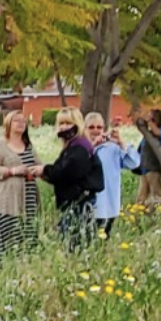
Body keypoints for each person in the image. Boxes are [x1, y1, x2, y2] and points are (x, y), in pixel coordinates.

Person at [41, 107, 103, 251]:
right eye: (61, 123)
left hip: (78, 204)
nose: (64, 127)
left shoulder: (79, 147)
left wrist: (45, 170)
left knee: (74, 245)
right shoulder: (73, 146)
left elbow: (67, 173)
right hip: (74, 203)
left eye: (68, 123)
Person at [0, 110, 42, 262]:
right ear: (8, 123)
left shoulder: (28, 146)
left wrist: (35, 171)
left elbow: (39, 165)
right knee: (5, 244)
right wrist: (12, 171)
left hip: (28, 202)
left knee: (27, 242)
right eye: (17, 120)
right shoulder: (0, 145)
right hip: (6, 203)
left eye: (24, 121)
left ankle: (25, 269)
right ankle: (3, 270)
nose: (21, 123)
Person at [86, 112, 139, 239]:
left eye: (99, 127)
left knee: (104, 239)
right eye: (91, 127)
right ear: (85, 129)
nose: (96, 130)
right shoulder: (81, 148)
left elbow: (134, 163)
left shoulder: (112, 148)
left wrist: (121, 143)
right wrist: (93, 146)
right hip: (88, 205)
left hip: (108, 205)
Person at [134, 108, 161, 204]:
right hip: (144, 169)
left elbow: (159, 133)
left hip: (154, 169)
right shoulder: (148, 135)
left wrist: (149, 121)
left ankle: (158, 210)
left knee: (156, 195)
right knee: (141, 197)